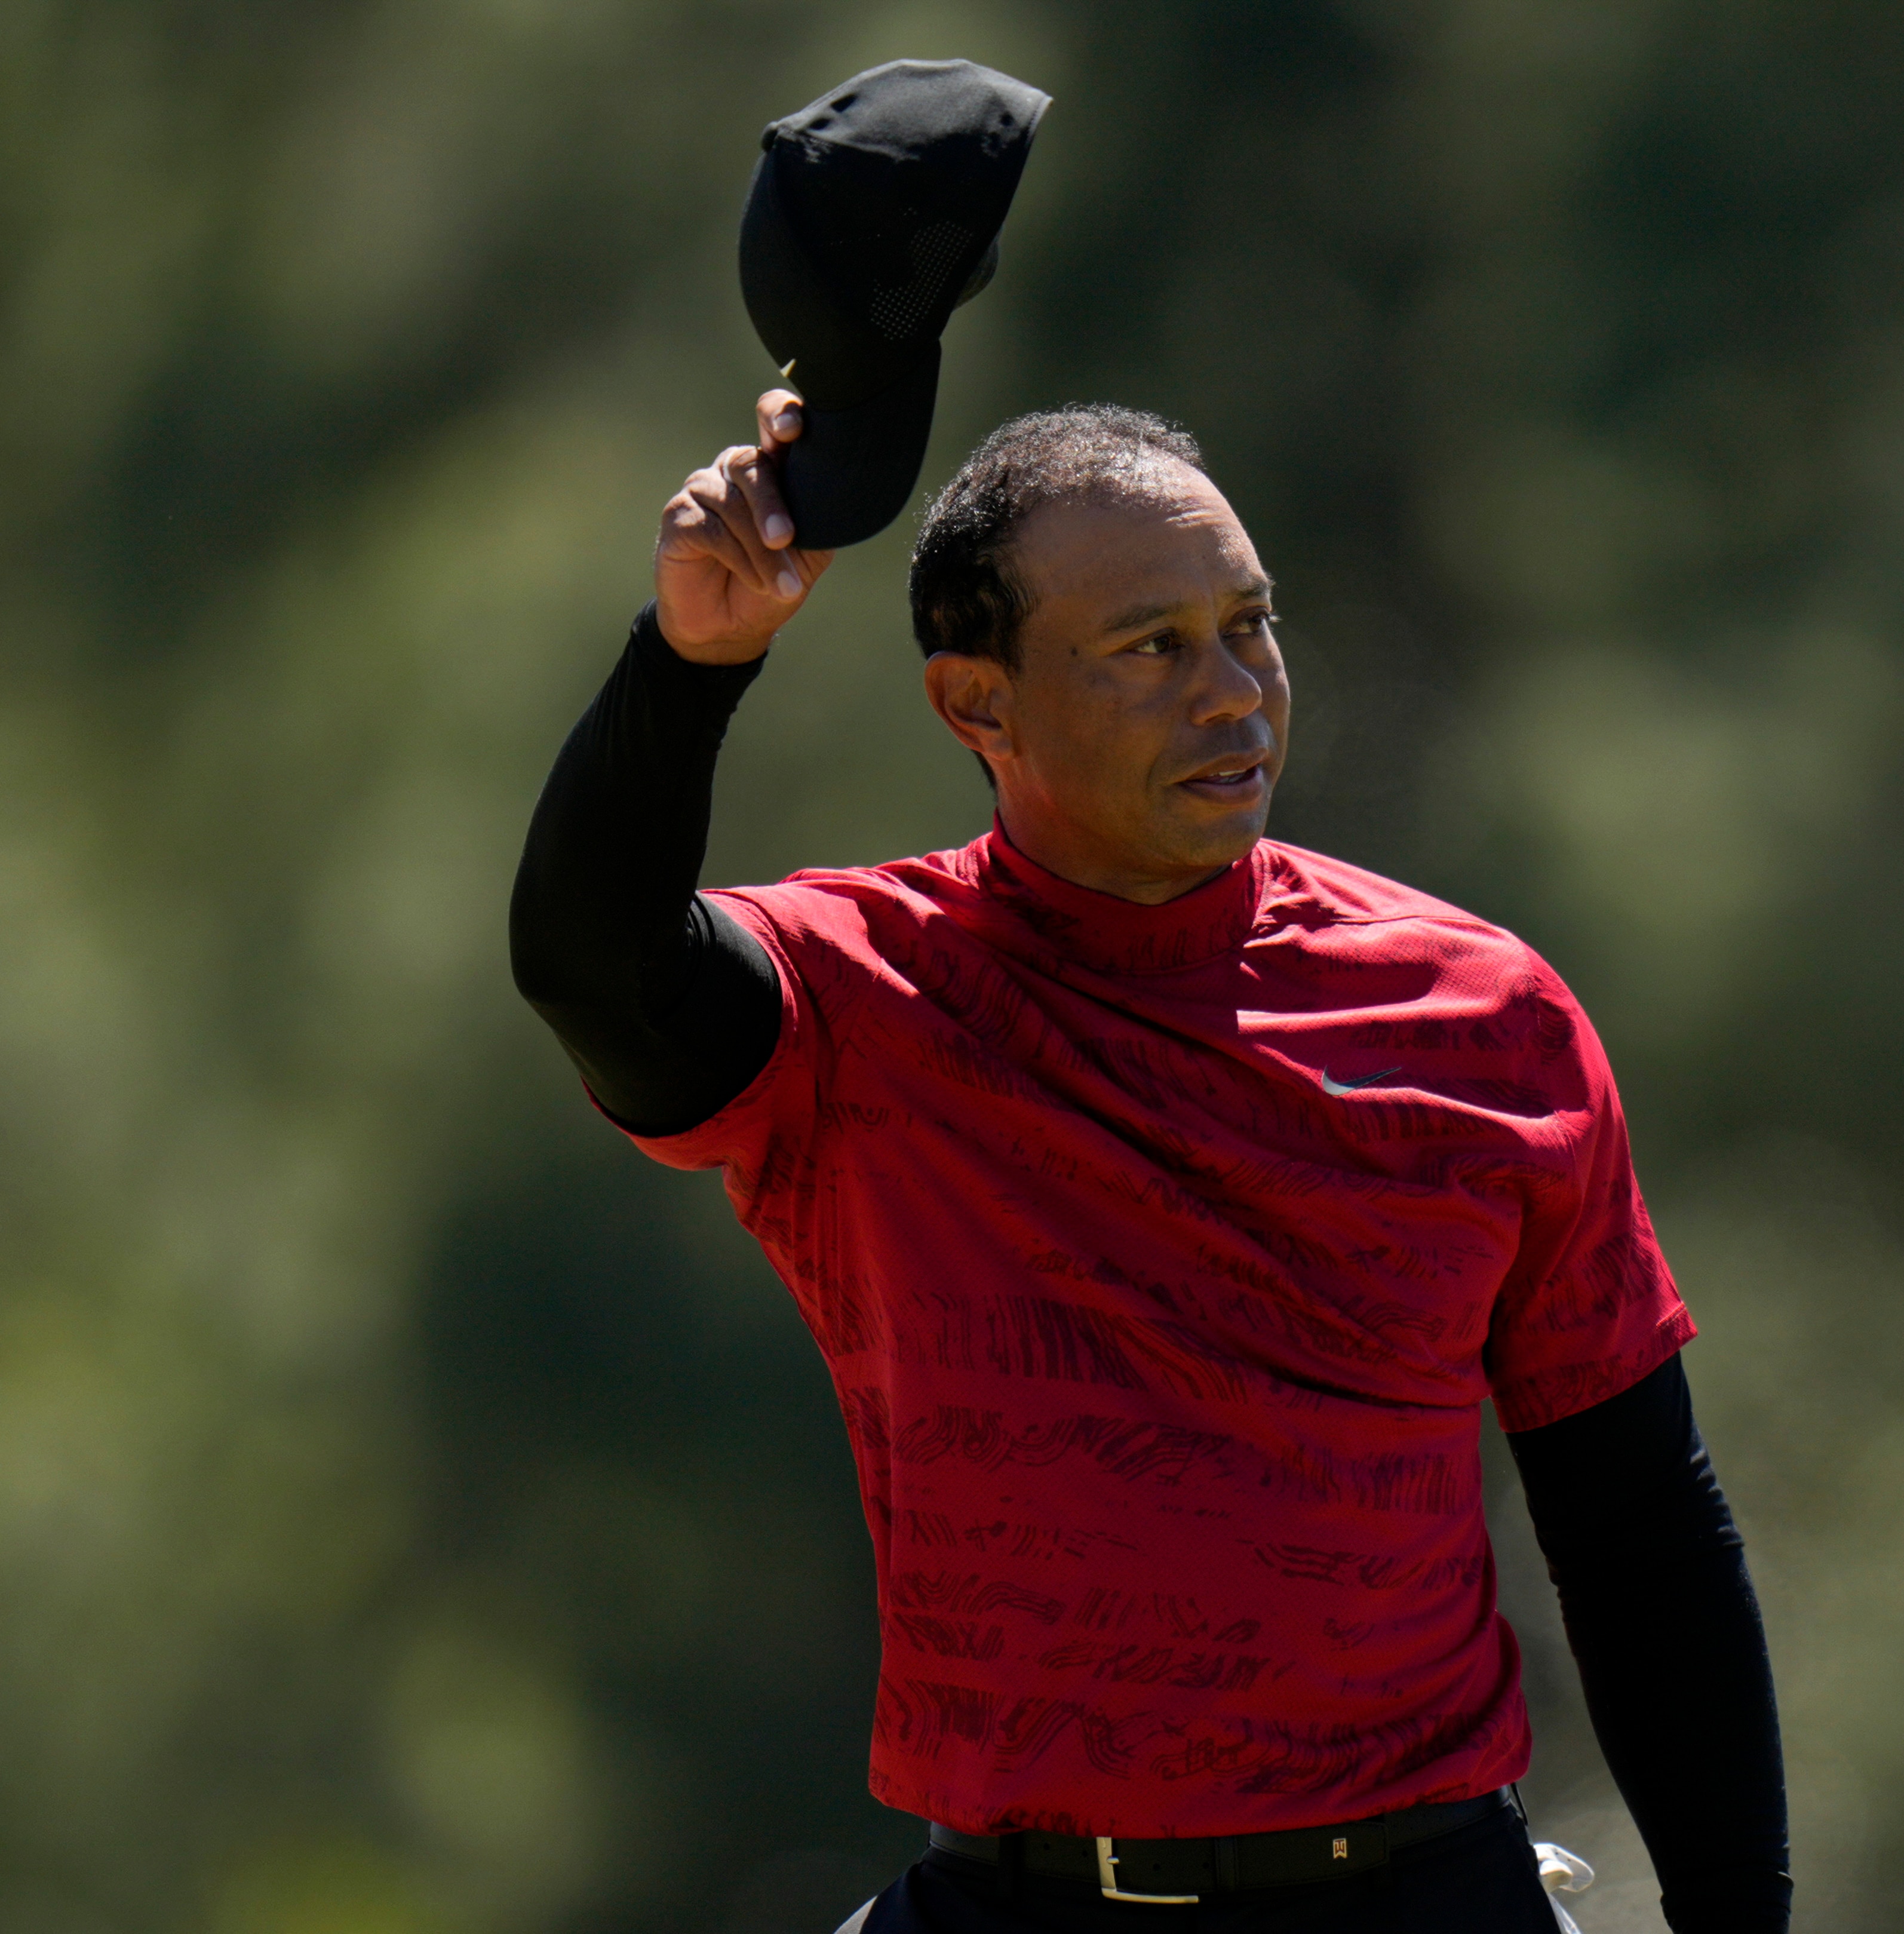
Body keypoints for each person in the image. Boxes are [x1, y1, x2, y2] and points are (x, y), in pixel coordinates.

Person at [509, 390, 1791, 1933]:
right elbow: (595, 967)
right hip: (1017, 1907)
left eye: (1251, 627)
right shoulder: (860, 1005)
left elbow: (1638, 1521)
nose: (1233, 691)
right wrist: (693, 659)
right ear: (977, 706)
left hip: (1420, 1897)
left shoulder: (1484, 1015)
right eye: (1149, 648)